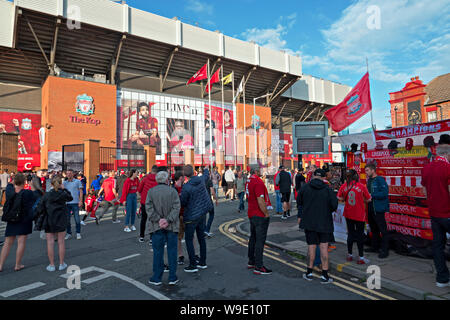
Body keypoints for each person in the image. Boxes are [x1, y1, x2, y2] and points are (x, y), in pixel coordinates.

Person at [298, 169, 338, 284]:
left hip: (309, 223)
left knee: (311, 247)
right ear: (323, 177)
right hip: (324, 222)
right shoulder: (328, 189)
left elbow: (299, 202)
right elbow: (334, 205)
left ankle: (309, 273)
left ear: (314, 176)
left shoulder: (305, 188)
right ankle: (325, 275)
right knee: (324, 248)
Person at [421, 143, 450, 288]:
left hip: (434, 213)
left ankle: (442, 279)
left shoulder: (426, 168)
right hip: (447, 212)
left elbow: (425, 191)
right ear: (447, 155)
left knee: (438, 245)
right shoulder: (448, 167)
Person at [146, 171, 181, 286]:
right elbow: (177, 207)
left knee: (158, 252)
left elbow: (149, 208)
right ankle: (172, 277)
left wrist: (158, 220)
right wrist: (168, 220)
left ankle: (157, 277)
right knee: (172, 251)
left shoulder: (151, 192)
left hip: (156, 226)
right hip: (171, 226)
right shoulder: (173, 191)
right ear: (167, 180)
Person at [35, 175, 73, 272]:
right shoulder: (63, 194)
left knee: (50, 243)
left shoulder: (46, 195)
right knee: (61, 242)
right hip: (61, 220)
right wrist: (64, 189)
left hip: (49, 220)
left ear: (51, 184)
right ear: (60, 184)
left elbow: (39, 208)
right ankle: (61, 263)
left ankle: (51, 265)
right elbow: (70, 198)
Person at [0, 173, 36, 272]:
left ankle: (0, 265)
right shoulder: (27, 193)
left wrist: (13, 181)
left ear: (14, 181)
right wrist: (31, 184)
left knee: (7, 243)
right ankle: (17, 264)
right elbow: (36, 195)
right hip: (24, 219)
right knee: (21, 242)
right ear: (25, 182)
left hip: (12, 218)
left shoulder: (9, 191)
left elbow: (10, 185)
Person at [180, 165, 212, 273]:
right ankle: (203, 262)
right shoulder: (201, 180)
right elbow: (206, 175)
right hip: (202, 214)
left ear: (184, 175)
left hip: (191, 216)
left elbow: (183, 202)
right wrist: (206, 168)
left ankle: (193, 264)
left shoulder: (186, 187)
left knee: (189, 239)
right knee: (201, 238)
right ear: (194, 172)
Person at [337, 169, 371, 264]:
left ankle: (350, 255)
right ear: (356, 176)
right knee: (360, 235)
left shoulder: (344, 186)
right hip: (359, 214)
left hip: (348, 213)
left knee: (350, 234)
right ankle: (361, 257)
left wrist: (345, 199)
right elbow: (369, 199)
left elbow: (339, 197)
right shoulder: (361, 186)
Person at [246, 165, 272, 275]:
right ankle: (259, 266)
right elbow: (260, 200)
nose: (263, 171)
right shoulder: (258, 182)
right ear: (256, 171)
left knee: (253, 238)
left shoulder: (249, 180)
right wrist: (266, 213)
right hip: (259, 215)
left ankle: (251, 261)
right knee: (260, 241)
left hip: (251, 213)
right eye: (261, 169)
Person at [364, 163, 390, 259]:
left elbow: (384, 193)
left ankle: (385, 250)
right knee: (374, 229)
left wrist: (372, 195)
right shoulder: (369, 180)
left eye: (367, 170)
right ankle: (374, 247)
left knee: (382, 230)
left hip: (378, 209)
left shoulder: (380, 180)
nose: (366, 173)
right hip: (370, 207)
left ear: (373, 170)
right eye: (365, 171)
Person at [138, 165, 158, 243]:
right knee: (152, 220)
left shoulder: (145, 178)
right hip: (154, 202)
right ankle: (151, 238)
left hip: (145, 202)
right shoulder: (158, 179)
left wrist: (141, 197)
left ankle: (141, 236)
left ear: (151, 170)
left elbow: (139, 190)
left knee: (144, 219)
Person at [63, 169, 83, 240]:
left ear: (73, 174)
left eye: (70, 173)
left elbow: (80, 192)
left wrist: (80, 201)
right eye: (67, 173)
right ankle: (69, 233)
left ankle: (78, 233)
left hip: (75, 202)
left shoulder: (77, 181)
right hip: (67, 203)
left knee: (77, 219)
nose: (68, 175)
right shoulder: (64, 183)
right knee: (67, 219)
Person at [173, 170, 186, 265]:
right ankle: (180, 255)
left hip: (186, 214)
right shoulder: (173, 189)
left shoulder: (185, 187)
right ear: (180, 178)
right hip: (178, 216)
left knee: (191, 235)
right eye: (183, 177)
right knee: (178, 237)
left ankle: (195, 254)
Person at [203, 168, 218, 237]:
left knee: (203, 217)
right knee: (211, 214)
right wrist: (216, 199)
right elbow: (212, 191)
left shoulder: (200, 180)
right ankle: (206, 230)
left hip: (202, 201)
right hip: (208, 201)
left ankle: (203, 230)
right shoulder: (209, 181)